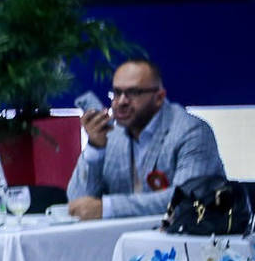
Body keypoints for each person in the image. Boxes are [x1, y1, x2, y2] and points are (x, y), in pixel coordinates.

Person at [66, 59, 224, 221]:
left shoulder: (192, 132)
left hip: (189, 239)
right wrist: (95, 149)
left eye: (133, 93)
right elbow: (77, 204)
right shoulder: (112, 134)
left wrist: (108, 208)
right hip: (122, 240)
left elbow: (186, 199)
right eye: (117, 93)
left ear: (159, 97)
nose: (121, 102)